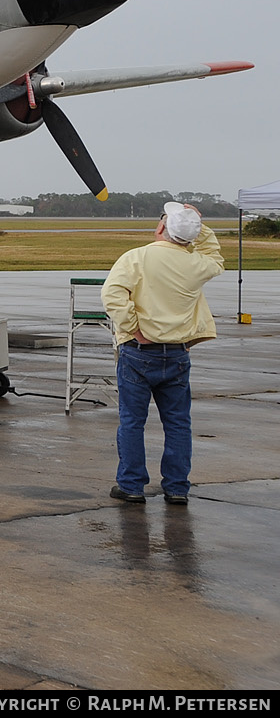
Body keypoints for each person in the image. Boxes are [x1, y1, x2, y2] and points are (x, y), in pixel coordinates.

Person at [101, 201, 223, 504]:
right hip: (178, 354)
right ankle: (177, 487)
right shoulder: (197, 264)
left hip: (139, 350)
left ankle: (131, 485)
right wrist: (198, 225)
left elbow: (111, 294)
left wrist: (134, 327)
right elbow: (216, 258)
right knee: (179, 423)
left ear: (160, 228)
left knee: (132, 421)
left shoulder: (137, 257)